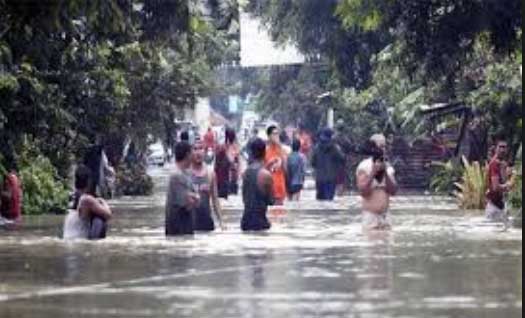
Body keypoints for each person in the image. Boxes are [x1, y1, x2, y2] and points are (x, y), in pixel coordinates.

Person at [356, 134, 398, 231]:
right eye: (381, 146)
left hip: (386, 217)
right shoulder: (364, 167)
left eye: (384, 146)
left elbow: (393, 191)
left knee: (387, 245)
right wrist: (373, 173)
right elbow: (363, 192)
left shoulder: (388, 167)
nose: (383, 149)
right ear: (373, 148)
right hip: (370, 218)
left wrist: (385, 173)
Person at [63, 165, 112, 240]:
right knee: (99, 220)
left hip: (69, 240)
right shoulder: (87, 199)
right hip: (79, 242)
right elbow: (108, 215)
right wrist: (103, 201)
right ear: (89, 181)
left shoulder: (72, 196)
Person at [165, 142, 200, 236]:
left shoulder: (187, 174)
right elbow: (187, 203)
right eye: (193, 151)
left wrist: (194, 197)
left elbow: (195, 201)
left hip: (186, 226)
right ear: (187, 154)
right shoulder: (176, 175)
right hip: (178, 228)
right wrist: (194, 197)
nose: (194, 155)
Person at [191, 141, 225, 232]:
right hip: (189, 224)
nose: (198, 152)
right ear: (190, 153)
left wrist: (221, 222)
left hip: (207, 223)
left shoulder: (210, 173)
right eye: (195, 149)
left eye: (201, 148)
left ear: (205, 152)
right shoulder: (185, 174)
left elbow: (215, 200)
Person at [241, 138, 274, 231]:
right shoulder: (266, 175)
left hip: (245, 222)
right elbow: (271, 201)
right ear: (264, 152)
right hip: (260, 223)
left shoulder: (245, 173)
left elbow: (244, 199)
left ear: (251, 153)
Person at [311, 128, 345, 201]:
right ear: (331, 136)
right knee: (329, 202)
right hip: (331, 179)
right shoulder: (335, 148)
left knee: (320, 203)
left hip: (319, 179)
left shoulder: (316, 147)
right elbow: (342, 158)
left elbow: (313, 163)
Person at [485, 137, 514, 223]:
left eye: (504, 147)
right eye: (500, 147)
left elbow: (505, 186)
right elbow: (496, 187)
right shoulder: (494, 164)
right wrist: (509, 185)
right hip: (494, 208)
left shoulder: (502, 164)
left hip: (501, 206)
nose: (502, 149)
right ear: (495, 148)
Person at [265, 126, 287, 205]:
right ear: (269, 136)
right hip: (269, 189)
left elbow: (285, 170)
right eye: (274, 134)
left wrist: (280, 149)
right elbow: (262, 171)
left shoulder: (282, 150)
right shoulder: (265, 151)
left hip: (280, 190)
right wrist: (270, 163)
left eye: (278, 134)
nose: (276, 136)